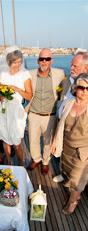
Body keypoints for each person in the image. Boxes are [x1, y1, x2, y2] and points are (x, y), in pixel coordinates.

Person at [51, 73, 88, 215]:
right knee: (68, 175)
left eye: (87, 88)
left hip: (83, 152)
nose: (84, 91)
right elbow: (60, 124)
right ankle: (73, 196)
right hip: (67, 148)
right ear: (75, 88)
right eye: (81, 87)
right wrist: (55, 141)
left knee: (78, 180)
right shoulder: (69, 103)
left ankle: (73, 202)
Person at [26, 48, 65, 175]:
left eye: (47, 59)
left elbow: (65, 91)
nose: (44, 61)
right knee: (33, 139)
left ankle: (46, 162)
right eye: (42, 59)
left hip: (50, 115)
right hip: (34, 114)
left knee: (48, 141)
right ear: (38, 60)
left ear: (51, 61)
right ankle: (36, 159)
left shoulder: (60, 74)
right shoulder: (30, 74)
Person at [0, 47, 33, 166]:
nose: (18, 65)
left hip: (16, 110)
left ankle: (20, 164)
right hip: (4, 108)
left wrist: (18, 89)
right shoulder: (3, 74)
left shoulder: (25, 74)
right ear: (9, 62)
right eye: (15, 62)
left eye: (20, 62)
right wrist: (1, 97)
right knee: (5, 139)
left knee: (16, 142)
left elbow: (29, 96)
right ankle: (9, 161)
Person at [54, 52, 88, 182]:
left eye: (75, 66)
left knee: (78, 160)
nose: (71, 68)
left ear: (86, 68)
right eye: (71, 65)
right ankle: (64, 174)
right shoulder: (68, 79)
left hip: (80, 131)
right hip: (64, 123)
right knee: (64, 155)